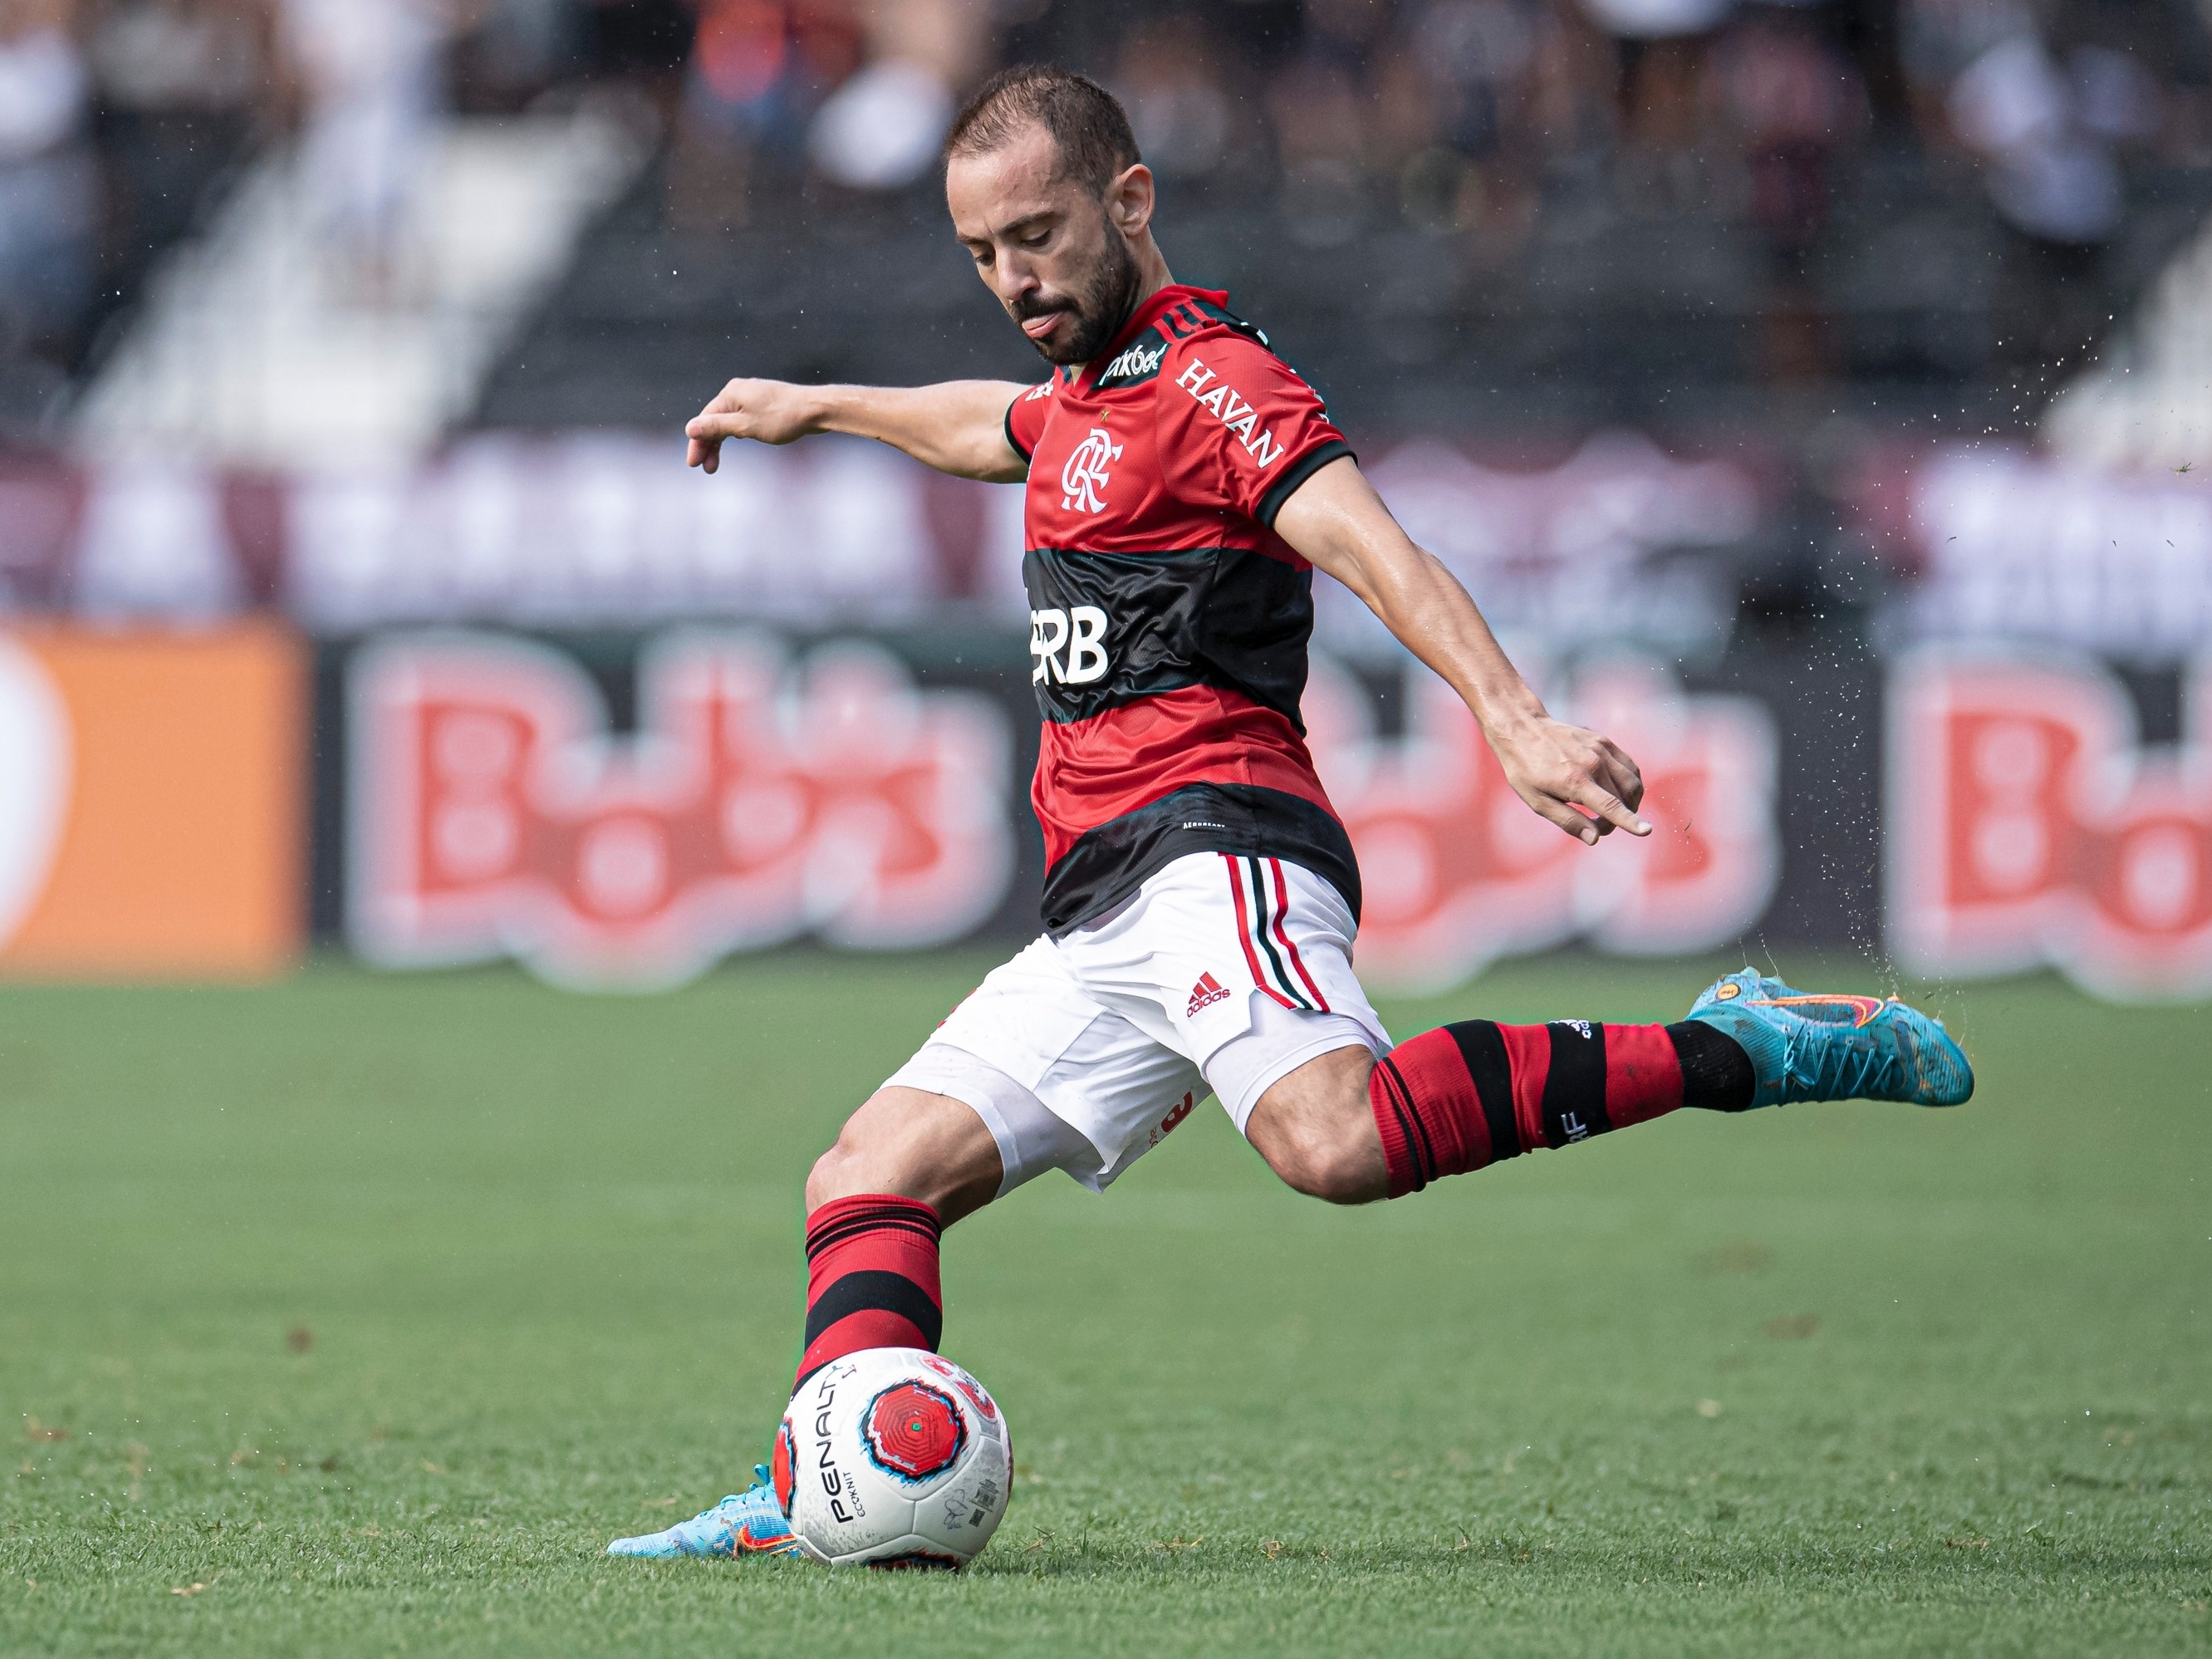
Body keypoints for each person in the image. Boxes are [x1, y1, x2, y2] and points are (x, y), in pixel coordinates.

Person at [606, 64, 1973, 1561]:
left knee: (1337, 1143)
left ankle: (1740, 1045)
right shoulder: (1083, 394)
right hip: (1099, 915)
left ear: (1131, 199)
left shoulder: (1217, 388)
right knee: (867, 1174)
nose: (1016, 279)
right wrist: (821, 405)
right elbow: (995, 427)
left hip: (1217, 843)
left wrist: (1512, 718)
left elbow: (1370, 545)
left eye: (1040, 236)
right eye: (983, 254)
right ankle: (814, 1494)